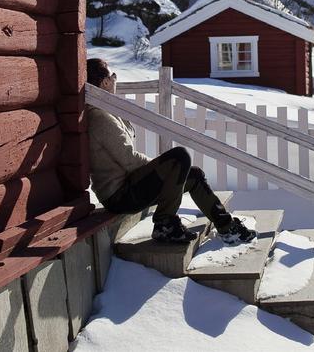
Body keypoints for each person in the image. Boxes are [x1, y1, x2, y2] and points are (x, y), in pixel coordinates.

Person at [86, 58, 257, 244]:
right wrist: (164, 168)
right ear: (104, 83)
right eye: (114, 76)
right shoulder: (100, 117)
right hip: (120, 195)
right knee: (179, 157)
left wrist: (165, 169)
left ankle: (226, 226)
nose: (115, 80)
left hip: (129, 188)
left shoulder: (106, 111)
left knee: (194, 175)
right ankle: (164, 225)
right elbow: (129, 160)